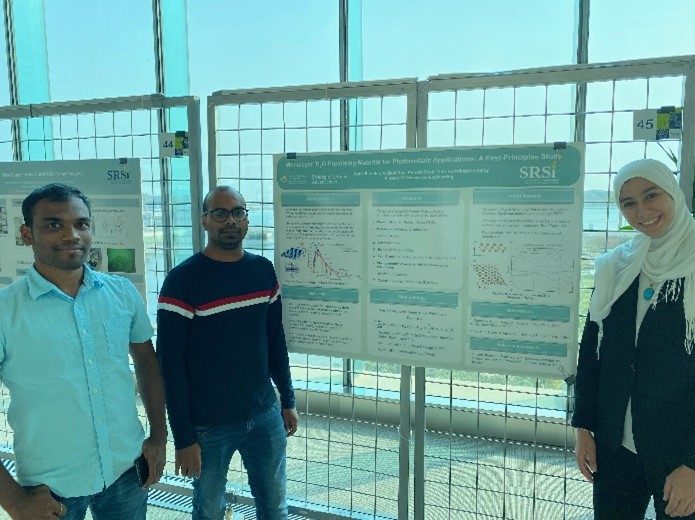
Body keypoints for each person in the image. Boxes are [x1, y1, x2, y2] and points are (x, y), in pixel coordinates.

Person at [0, 184, 167, 520]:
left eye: (81, 224)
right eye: (53, 224)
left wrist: (159, 436)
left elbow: (147, 362)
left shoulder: (121, 293)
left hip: (126, 470)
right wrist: (14, 500)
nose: (71, 234)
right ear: (26, 234)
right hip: (49, 486)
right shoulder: (6, 311)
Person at [157, 186, 299, 520]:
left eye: (238, 212)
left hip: (264, 414)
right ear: (204, 221)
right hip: (208, 425)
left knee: (275, 506)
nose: (230, 221)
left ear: (246, 219)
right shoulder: (182, 281)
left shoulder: (263, 271)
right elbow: (171, 366)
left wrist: (287, 399)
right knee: (209, 510)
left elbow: (275, 341)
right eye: (220, 213)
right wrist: (183, 438)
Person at [572, 159, 695, 519]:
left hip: (680, 454)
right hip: (616, 446)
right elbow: (592, 353)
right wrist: (584, 427)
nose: (642, 211)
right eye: (629, 203)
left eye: (651, 195)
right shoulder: (618, 266)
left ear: (673, 193)